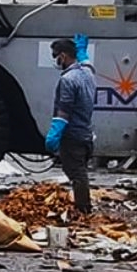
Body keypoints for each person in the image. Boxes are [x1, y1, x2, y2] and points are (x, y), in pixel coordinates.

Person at [46, 38, 97, 214]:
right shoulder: (88, 73)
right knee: (80, 170)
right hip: (86, 134)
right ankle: (83, 207)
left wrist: (55, 133)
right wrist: (82, 51)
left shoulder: (67, 79)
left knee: (76, 173)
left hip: (73, 135)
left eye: (56, 56)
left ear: (63, 56)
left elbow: (65, 109)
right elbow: (87, 63)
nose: (56, 61)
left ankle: (83, 210)